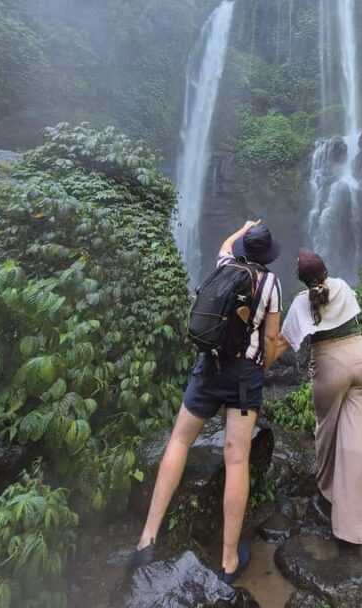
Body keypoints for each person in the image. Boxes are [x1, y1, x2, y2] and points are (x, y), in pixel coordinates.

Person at [129, 220, 282, 583]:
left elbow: (226, 243)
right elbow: (272, 340)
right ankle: (228, 561)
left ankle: (147, 538)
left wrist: (241, 228)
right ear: (268, 256)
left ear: (245, 248)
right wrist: (261, 370)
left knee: (179, 440)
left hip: (209, 367)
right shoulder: (271, 284)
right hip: (245, 376)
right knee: (237, 458)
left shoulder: (225, 265)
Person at [265, 248, 362, 546]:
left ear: (302, 280)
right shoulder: (342, 285)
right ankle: (357, 528)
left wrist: (256, 364)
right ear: (325, 271)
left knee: (326, 434)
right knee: (360, 439)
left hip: (331, 365)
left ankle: (328, 494)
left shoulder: (302, 303)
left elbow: (283, 344)